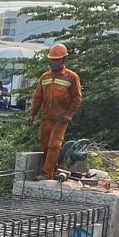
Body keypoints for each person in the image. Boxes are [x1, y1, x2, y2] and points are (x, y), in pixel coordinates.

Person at [27, 43, 82, 181]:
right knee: (45, 144)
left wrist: (69, 114)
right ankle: (54, 168)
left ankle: (47, 173)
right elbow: (38, 98)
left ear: (63, 60)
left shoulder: (71, 77)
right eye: (52, 59)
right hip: (46, 117)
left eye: (56, 60)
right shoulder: (44, 77)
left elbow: (77, 97)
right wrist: (32, 114)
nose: (53, 62)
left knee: (54, 144)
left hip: (61, 119)